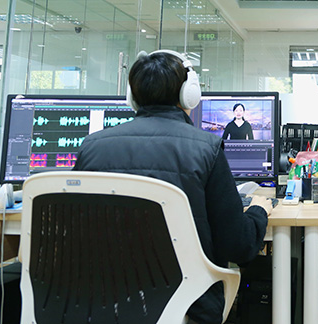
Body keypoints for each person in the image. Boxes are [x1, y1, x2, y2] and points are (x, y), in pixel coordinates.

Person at [74, 50, 272, 324]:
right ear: (188, 95)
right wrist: (258, 211)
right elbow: (237, 246)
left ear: (132, 97)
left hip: (103, 303)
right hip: (186, 303)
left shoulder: (91, 147)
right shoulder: (206, 148)